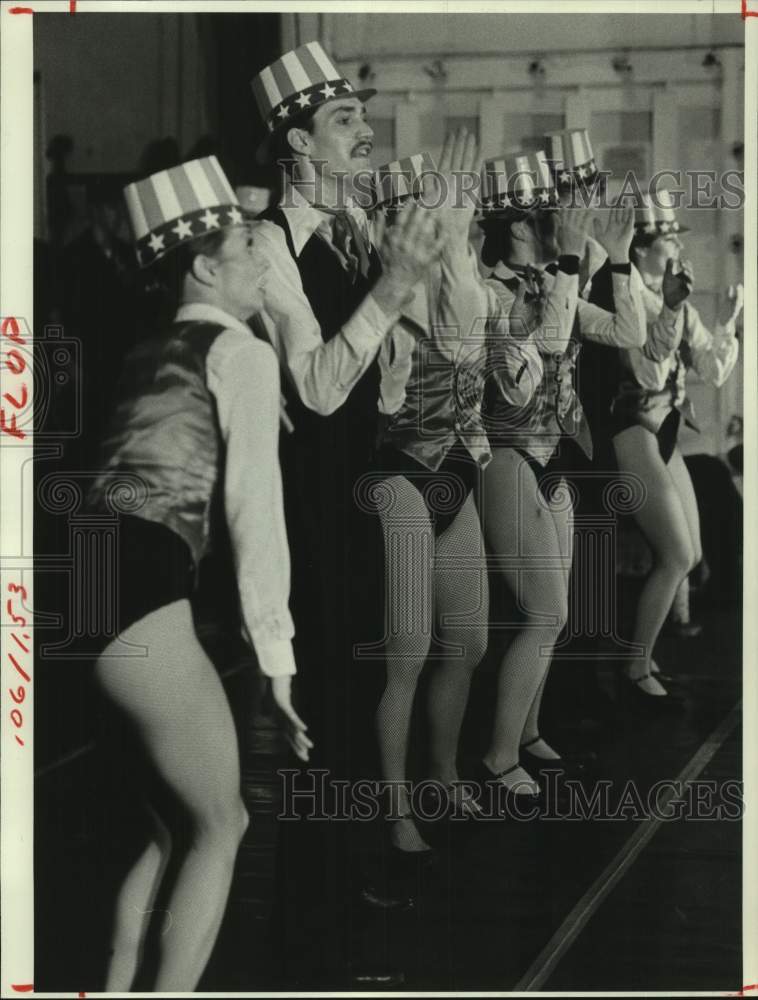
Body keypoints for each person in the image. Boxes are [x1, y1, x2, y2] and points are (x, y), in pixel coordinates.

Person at [85, 156, 309, 992]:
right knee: (224, 821)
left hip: (79, 578)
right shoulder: (239, 352)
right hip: (142, 582)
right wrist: (279, 661)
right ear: (205, 266)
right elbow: (257, 512)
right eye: (251, 245)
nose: (266, 261)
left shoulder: (148, 345)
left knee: (164, 831)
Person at [369, 137, 544, 851]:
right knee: (406, 652)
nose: (455, 227)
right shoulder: (396, 289)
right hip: (402, 474)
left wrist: (475, 448)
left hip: (454, 475)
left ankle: (440, 772)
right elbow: (395, 385)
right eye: (440, 213)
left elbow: (485, 361)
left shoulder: (465, 283)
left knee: (467, 643)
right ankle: (396, 806)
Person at [474, 149, 646, 802]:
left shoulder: (554, 277)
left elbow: (626, 330)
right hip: (507, 454)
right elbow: (541, 354)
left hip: (553, 458)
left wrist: (620, 260)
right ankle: (495, 754)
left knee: (554, 614)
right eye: (550, 215)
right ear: (519, 226)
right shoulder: (488, 294)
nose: (564, 223)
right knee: (546, 612)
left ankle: (526, 731)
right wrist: (572, 265)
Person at [610, 189, 742, 704]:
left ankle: (641, 657)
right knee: (677, 553)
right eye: (667, 239)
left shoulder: (675, 297)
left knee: (691, 555)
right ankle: (634, 666)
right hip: (632, 427)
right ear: (642, 249)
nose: (676, 248)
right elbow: (644, 368)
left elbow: (711, 369)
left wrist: (730, 322)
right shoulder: (628, 294)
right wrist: (670, 307)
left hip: (665, 433)